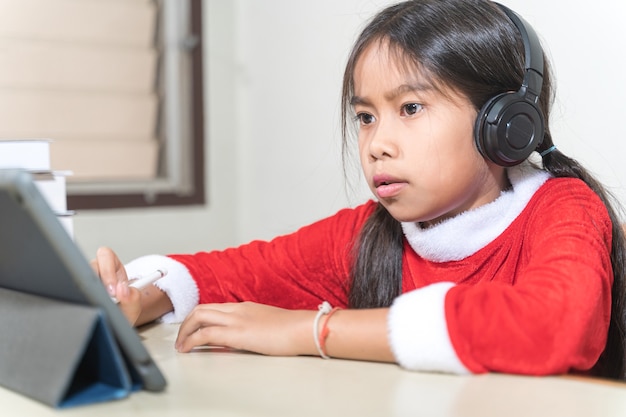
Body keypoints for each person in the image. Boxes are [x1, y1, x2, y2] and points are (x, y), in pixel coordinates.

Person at [92, 0, 626, 380]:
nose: (376, 145)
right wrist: (142, 298)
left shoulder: (562, 207)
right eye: (366, 116)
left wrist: (312, 332)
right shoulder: (368, 232)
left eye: (410, 108)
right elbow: (231, 274)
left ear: (506, 122)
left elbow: (552, 327)